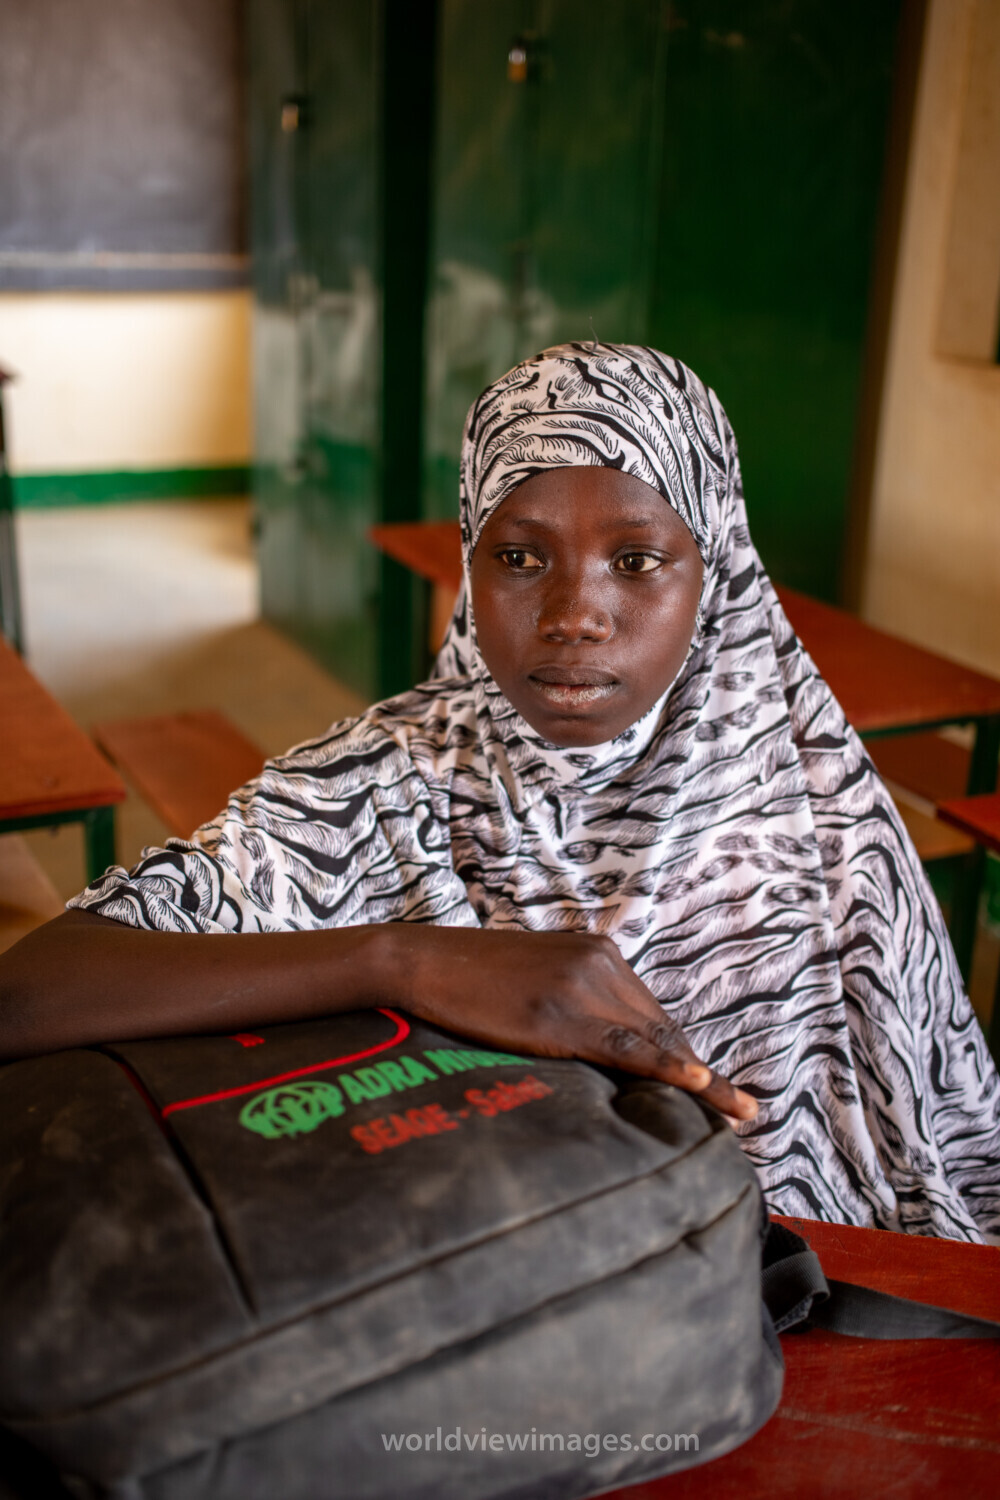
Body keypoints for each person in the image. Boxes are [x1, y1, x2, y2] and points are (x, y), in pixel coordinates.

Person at [2, 342, 998, 1243]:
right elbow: (30, 991)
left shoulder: (822, 817)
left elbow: (945, 1159)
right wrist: (404, 961)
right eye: (519, 559)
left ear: (719, 574)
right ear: (471, 566)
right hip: (485, 1316)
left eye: (639, 560)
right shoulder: (376, 791)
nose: (573, 615)